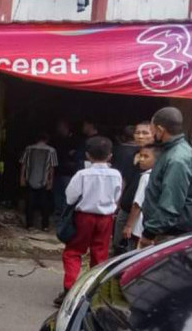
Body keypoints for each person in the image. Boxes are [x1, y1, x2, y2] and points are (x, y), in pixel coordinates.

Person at [54, 136, 121, 306]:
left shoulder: (82, 174)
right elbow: (116, 197)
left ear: (88, 156)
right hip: (106, 218)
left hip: (84, 217)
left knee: (73, 252)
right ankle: (94, 290)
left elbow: (70, 197)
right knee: (99, 254)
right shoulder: (116, 175)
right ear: (110, 156)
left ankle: (69, 289)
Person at [139, 107, 192, 248]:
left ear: (160, 130)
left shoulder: (177, 158)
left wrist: (150, 232)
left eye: (152, 129)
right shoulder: (170, 151)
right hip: (164, 229)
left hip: (168, 232)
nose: (151, 134)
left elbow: (171, 203)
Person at [112, 122, 154, 253]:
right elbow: (124, 180)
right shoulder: (132, 155)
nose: (140, 136)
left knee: (131, 252)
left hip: (140, 213)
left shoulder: (156, 158)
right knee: (118, 246)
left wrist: (129, 224)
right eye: (137, 133)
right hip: (124, 209)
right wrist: (117, 205)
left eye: (145, 133)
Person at [20, 133, 58, 231]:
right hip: (44, 181)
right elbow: (52, 168)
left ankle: (29, 225)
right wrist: (50, 181)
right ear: (47, 139)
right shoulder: (51, 150)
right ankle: (45, 226)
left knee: (30, 203)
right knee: (44, 204)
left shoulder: (28, 149)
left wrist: (22, 178)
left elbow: (23, 164)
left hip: (30, 179)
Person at [122, 145, 157, 248]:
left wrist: (128, 226)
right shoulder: (160, 175)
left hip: (140, 225)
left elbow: (137, 203)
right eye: (140, 156)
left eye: (146, 156)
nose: (141, 159)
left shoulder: (146, 177)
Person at [51, 120, 78, 224]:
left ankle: (65, 217)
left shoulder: (74, 140)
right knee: (57, 195)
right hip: (57, 171)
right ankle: (58, 216)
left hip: (68, 173)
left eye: (60, 126)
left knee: (68, 196)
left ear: (66, 127)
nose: (58, 129)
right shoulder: (57, 140)